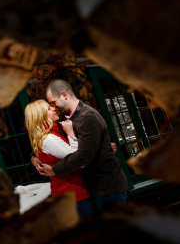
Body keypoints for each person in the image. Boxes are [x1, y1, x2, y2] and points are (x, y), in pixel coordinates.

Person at [33, 79, 128, 213]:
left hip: (107, 186)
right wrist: (33, 156)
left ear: (64, 95)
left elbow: (83, 157)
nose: (54, 107)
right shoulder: (63, 118)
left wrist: (55, 170)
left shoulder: (88, 117)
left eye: (53, 102)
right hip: (91, 187)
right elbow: (51, 141)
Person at [25, 99, 94, 217]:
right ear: (41, 117)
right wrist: (71, 133)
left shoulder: (49, 135)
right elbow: (78, 160)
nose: (53, 108)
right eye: (48, 108)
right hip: (74, 194)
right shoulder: (49, 138)